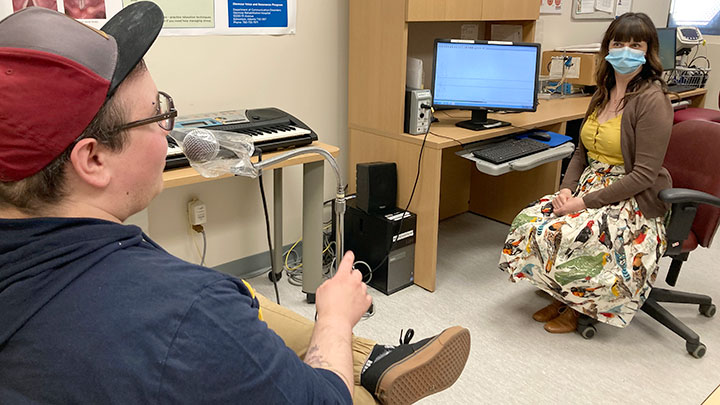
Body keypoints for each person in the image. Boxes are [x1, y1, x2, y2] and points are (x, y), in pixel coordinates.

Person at [0, 4, 471, 404]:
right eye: (158, 113)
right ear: (94, 158)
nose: (169, 130)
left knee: (248, 299)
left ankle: (374, 357)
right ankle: (363, 368)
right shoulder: (191, 312)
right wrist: (333, 317)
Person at [499, 12, 673, 334]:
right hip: (590, 184)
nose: (625, 50)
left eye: (635, 44)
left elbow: (643, 175)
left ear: (648, 52)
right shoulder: (603, 91)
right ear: (607, 48)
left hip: (631, 196)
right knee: (532, 220)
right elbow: (581, 151)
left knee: (575, 233)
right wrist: (566, 190)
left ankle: (578, 308)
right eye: (618, 43)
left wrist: (583, 204)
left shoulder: (653, 100)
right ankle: (561, 293)